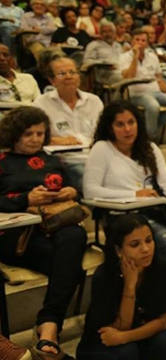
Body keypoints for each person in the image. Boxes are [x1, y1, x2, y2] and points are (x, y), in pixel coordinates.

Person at [83, 101, 166, 319]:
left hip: (155, 210)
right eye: (120, 124)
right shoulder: (102, 149)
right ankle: (156, 306)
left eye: (131, 122)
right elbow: (90, 192)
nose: (127, 129)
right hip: (122, 216)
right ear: (109, 127)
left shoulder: (149, 147)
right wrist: (132, 195)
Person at [0, 106, 87, 360]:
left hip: (56, 228)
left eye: (40, 133)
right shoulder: (2, 163)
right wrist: (25, 198)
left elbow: (76, 190)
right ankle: (49, 330)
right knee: (69, 265)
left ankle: (49, 326)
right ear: (14, 135)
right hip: (18, 236)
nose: (36, 139)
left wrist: (71, 192)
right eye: (29, 134)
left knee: (74, 236)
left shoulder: (53, 159)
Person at [76, 214, 166, 360]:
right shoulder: (104, 276)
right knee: (126, 352)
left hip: (133, 337)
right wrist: (129, 286)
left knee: (165, 343)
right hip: (101, 345)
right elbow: (118, 329)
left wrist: (125, 337)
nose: (145, 249)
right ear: (118, 251)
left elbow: (163, 321)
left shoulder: (161, 268)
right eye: (135, 244)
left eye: (149, 241)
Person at [32, 56, 103, 190]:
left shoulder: (94, 101)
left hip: (96, 156)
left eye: (72, 72)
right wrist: (56, 140)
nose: (68, 77)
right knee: (86, 177)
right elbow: (32, 137)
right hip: (65, 161)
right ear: (51, 80)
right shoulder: (41, 103)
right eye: (62, 74)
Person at [119, 29, 166, 140]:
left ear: (147, 43)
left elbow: (159, 79)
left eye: (143, 40)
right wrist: (135, 57)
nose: (140, 43)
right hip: (136, 94)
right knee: (153, 106)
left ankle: (147, 131)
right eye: (137, 40)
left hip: (155, 92)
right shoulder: (123, 57)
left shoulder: (152, 56)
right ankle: (151, 139)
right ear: (132, 42)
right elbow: (129, 77)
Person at [82, 19, 124, 86]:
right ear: (100, 34)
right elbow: (87, 62)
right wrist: (105, 64)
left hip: (121, 71)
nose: (108, 34)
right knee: (121, 78)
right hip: (105, 75)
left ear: (115, 33)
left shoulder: (118, 46)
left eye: (110, 31)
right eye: (104, 32)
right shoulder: (93, 45)